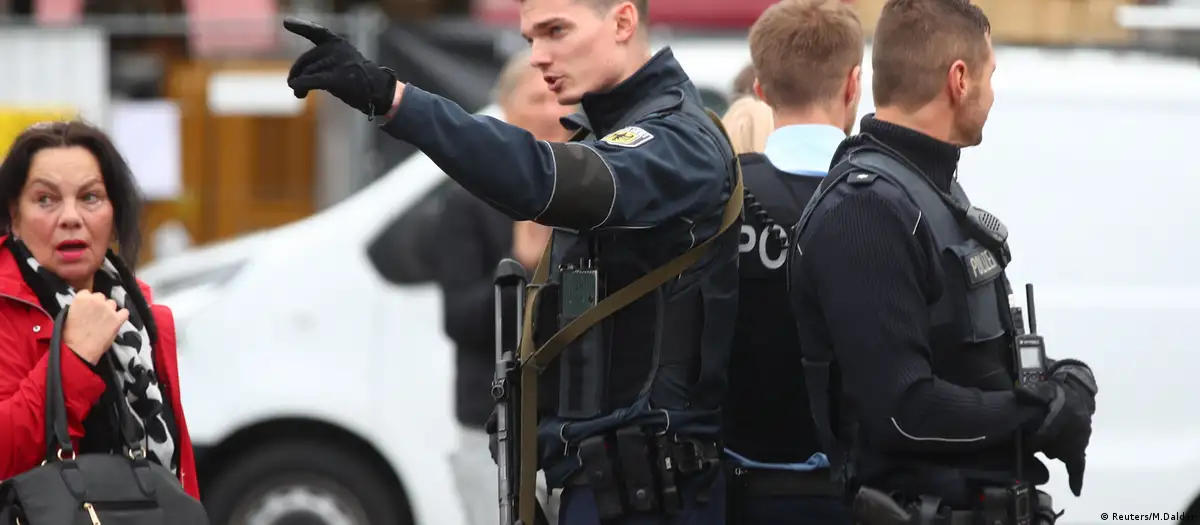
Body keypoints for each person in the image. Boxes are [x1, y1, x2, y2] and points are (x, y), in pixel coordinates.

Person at [280, 0, 742, 521]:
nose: (539, 56)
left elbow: (543, 178)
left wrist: (395, 100)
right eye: (530, 39)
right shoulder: (608, 134)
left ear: (622, 22)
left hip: (655, 494)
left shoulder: (678, 141)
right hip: (601, 486)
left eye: (556, 31)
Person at [787, 1, 1097, 523]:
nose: (992, 93)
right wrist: (1037, 413)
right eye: (989, 75)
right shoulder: (866, 210)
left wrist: (1061, 383)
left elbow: (967, 364)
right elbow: (902, 411)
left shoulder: (928, 190)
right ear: (959, 79)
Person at [0, 120, 200, 499]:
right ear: (14, 217)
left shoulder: (143, 318)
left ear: (113, 213)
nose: (70, 217)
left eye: (90, 197)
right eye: (45, 200)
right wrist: (74, 357)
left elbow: (176, 476)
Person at [720, 1, 862, 524]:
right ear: (854, 85)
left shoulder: (720, 197)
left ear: (759, 89)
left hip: (737, 492)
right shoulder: (888, 197)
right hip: (861, 495)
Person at [436, 48, 573, 525]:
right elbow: (459, 319)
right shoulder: (469, 200)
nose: (552, 112)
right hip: (493, 423)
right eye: (537, 98)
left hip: (575, 423)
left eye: (560, 98)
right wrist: (524, 265)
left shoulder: (594, 196)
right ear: (506, 109)